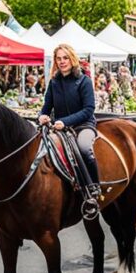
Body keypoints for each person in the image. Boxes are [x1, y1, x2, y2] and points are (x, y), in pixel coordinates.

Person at [39, 44, 101, 199]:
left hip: (83, 125)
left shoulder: (84, 81)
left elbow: (88, 110)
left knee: (84, 148)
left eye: (65, 58)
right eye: (59, 58)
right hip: (59, 128)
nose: (62, 61)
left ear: (72, 59)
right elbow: (46, 107)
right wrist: (42, 116)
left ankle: (94, 186)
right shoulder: (53, 83)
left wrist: (65, 122)